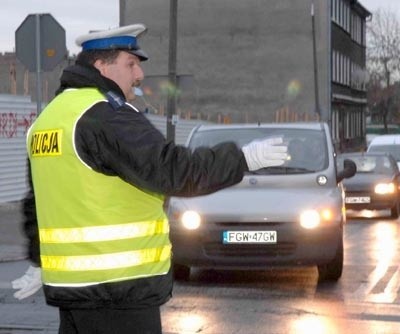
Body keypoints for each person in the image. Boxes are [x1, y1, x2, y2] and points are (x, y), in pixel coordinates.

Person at [11, 23, 288, 334]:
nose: (139, 75)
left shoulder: (49, 118)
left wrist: (38, 259)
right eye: (130, 64)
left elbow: (38, 201)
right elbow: (171, 170)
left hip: (72, 292)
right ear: (101, 65)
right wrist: (242, 159)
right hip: (118, 291)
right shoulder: (105, 115)